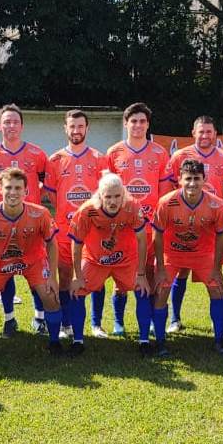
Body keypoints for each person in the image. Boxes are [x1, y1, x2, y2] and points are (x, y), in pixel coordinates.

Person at [0, 168, 63, 355]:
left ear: (26, 191)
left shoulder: (40, 213)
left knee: (50, 296)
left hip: (33, 261)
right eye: (9, 187)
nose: (13, 192)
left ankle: (54, 343)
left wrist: (53, 276)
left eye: (18, 188)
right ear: (0, 189)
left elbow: (52, 243)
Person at [0, 104, 49, 335]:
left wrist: (34, 203)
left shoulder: (37, 154)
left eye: (15, 122)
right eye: (6, 122)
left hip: (31, 223)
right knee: (4, 270)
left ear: (22, 126)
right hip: (1, 223)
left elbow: (45, 183)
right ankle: (9, 319)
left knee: (36, 270)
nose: (11, 126)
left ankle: (40, 319)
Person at [163, 115, 223, 333]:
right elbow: (168, 184)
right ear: (193, 133)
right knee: (181, 270)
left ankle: (216, 321)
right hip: (183, 222)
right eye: (201, 131)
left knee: (213, 272)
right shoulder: (179, 156)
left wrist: (218, 202)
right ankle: (175, 318)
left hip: (211, 225)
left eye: (209, 132)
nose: (205, 136)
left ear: (215, 134)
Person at [151, 159, 223, 356]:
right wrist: (160, 267)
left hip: (203, 254)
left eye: (197, 179)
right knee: (160, 290)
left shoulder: (216, 204)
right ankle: (160, 342)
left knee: (217, 289)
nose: (192, 183)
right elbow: (157, 234)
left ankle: (220, 340)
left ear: (205, 180)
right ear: (179, 180)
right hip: (173, 253)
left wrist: (217, 268)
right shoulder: (167, 202)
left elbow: (221, 235)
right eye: (188, 179)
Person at [106, 102, 169, 337]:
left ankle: (151, 320)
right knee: (121, 277)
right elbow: (107, 192)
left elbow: (164, 191)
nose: (138, 125)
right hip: (122, 227)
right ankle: (118, 322)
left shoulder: (160, 153)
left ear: (148, 125)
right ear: (126, 123)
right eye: (133, 121)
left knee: (150, 274)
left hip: (151, 225)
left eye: (142, 121)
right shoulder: (114, 153)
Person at [69, 172, 150, 355]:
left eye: (117, 196)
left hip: (125, 259)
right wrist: (77, 276)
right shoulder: (87, 210)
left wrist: (141, 274)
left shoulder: (132, 206)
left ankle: (144, 341)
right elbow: (76, 243)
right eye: (108, 197)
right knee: (76, 291)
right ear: (100, 195)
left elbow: (142, 240)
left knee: (142, 289)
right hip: (95, 260)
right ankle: (78, 341)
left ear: (123, 194)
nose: (113, 202)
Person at [44, 109, 106, 342]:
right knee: (65, 274)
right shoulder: (55, 160)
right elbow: (51, 194)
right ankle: (66, 323)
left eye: (81, 126)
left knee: (96, 274)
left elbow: (105, 194)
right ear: (65, 128)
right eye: (72, 126)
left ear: (87, 129)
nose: (76, 130)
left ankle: (96, 324)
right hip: (64, 229)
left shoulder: (100, 159)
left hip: (93, 229)